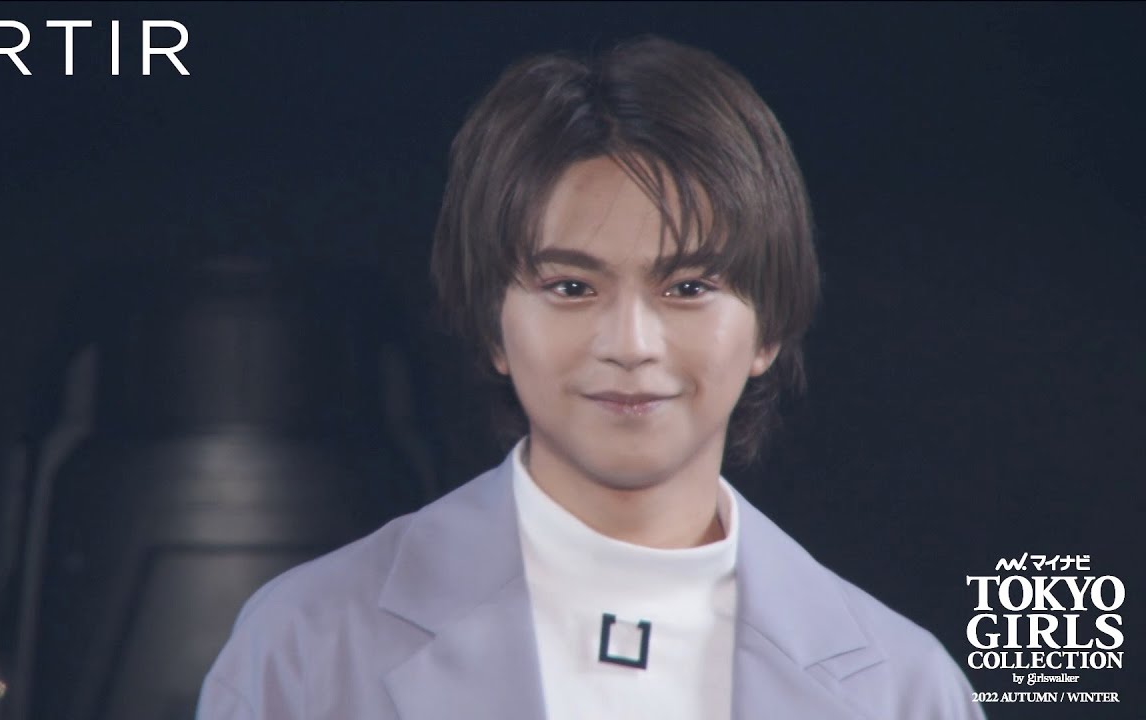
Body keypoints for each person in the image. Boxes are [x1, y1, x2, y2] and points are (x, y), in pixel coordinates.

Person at [197, 35, 985, 719]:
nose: (631, 345)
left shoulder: (904, 689)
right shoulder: (304, 643)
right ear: (492, 325)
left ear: (769, 327)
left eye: (688, 288)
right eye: (572, 287)